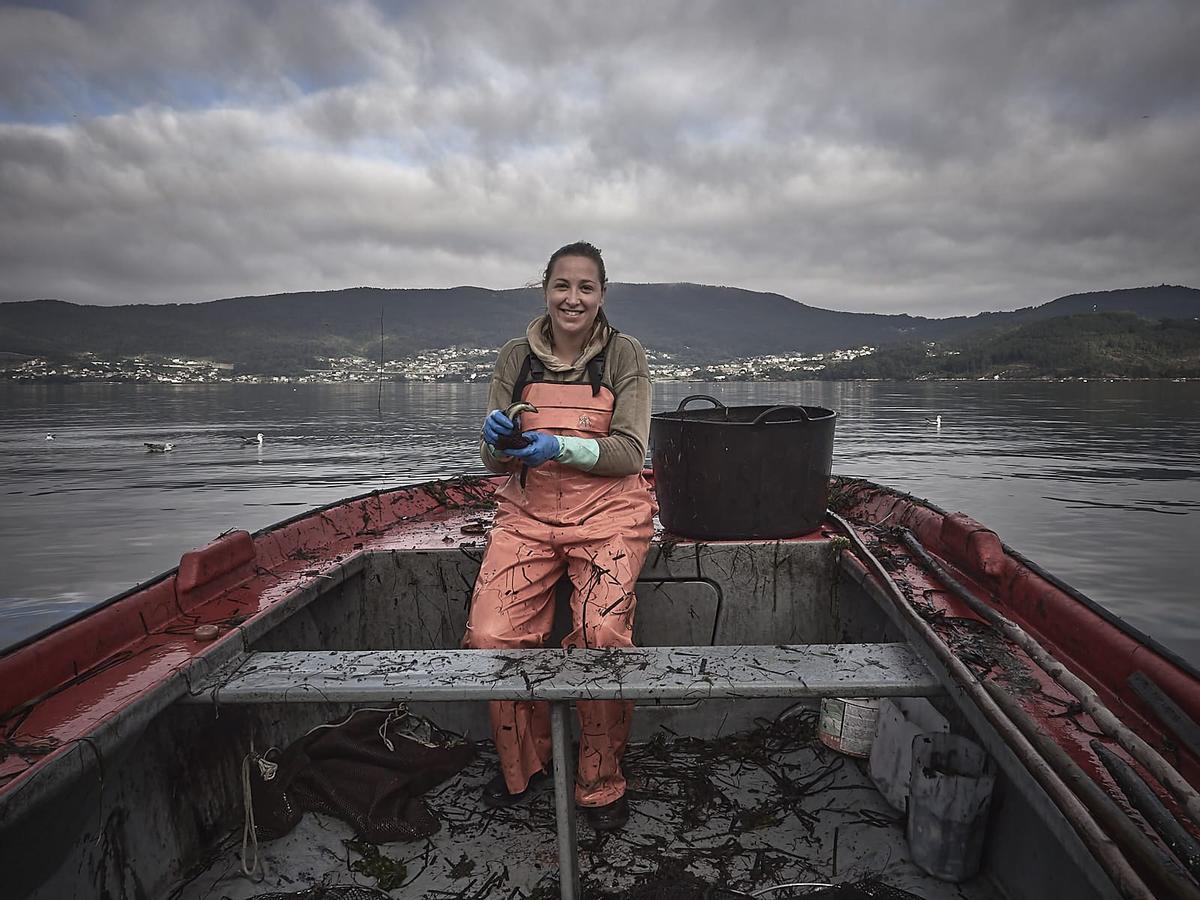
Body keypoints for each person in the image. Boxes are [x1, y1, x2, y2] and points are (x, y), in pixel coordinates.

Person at [463, 241, 656, 832]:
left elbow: (630, 451)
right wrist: (499, 441)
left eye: (586, 287)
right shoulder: (513, 358)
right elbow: (493, 462)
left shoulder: (625, 356)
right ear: (545, 289)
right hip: (527, 514)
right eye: (562, 286)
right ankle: (526, 767)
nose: (573, 298)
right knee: (490, 636)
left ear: (602, 295)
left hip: (609, 514)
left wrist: (561, 446)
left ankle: (601, 781)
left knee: (600, 633)